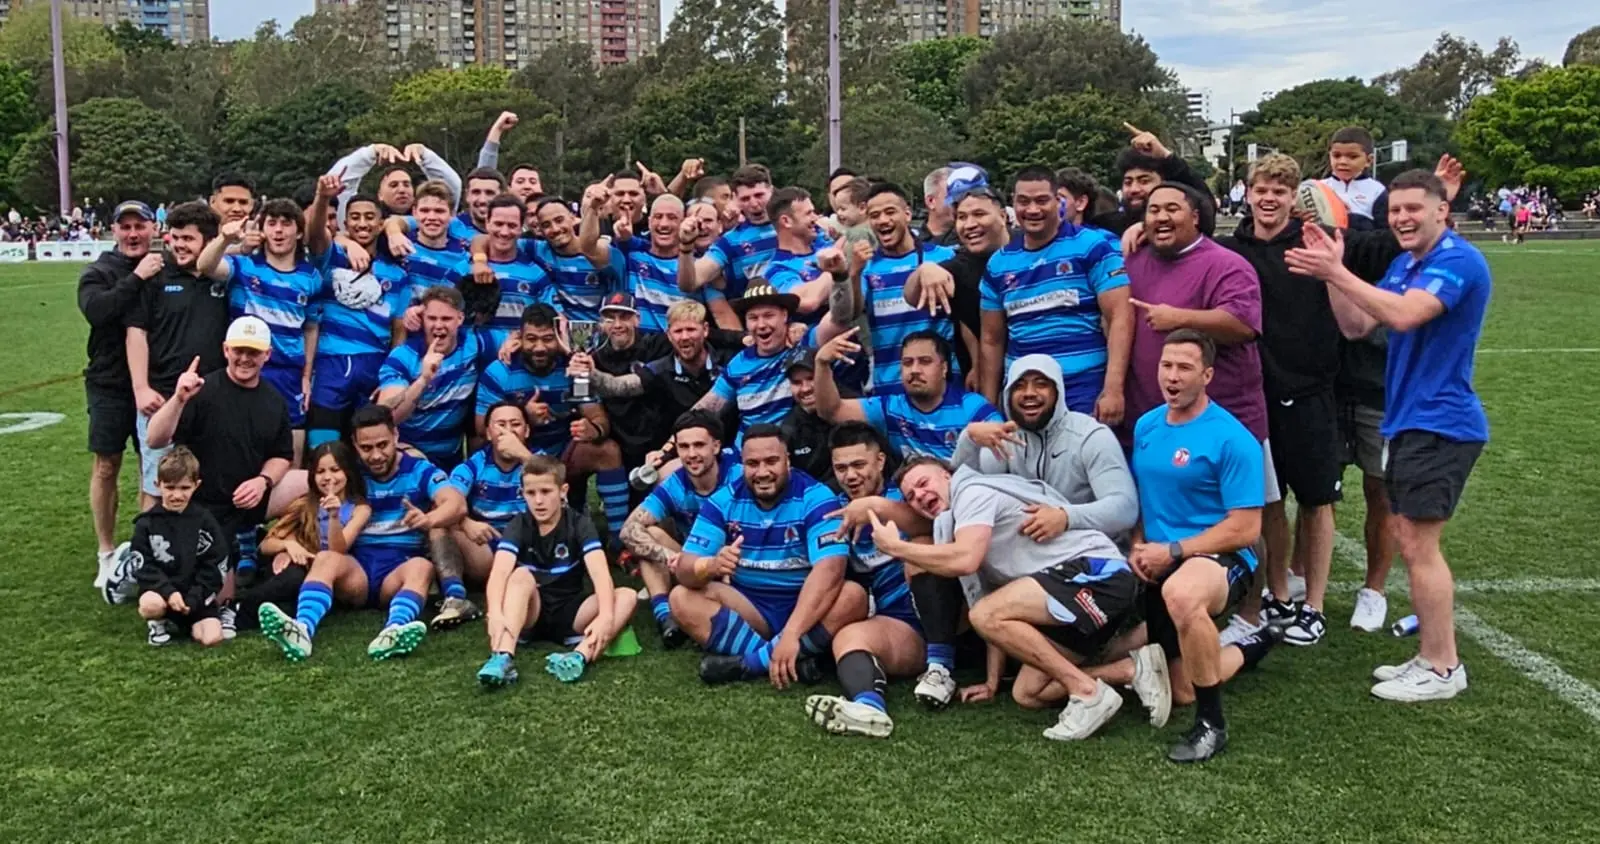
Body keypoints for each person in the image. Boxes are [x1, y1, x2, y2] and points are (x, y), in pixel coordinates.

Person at [1284, 169, 1490, 703]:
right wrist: (1333, 270)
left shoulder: (1457, 260)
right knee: (1410, 540)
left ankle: (1444, 667)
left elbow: (1403, 316)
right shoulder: (1405, 264)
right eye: (1395, 210)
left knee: (1420, 546)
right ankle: (1431, 655)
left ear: (1442, 209)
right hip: (1409, 418)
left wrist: (1338, 269)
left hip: (1440, 421)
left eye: (1413, 209)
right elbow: (1356, 325)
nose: (1401, 218)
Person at [883, 455, 1165, 741]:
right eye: (911, 496)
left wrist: (898, 548)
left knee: (984, 614)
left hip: (1098, 572)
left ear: (947, 475)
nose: (919, 496)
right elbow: (993, 600)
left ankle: (1088, 692)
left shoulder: (972, 493)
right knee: (1028, 693)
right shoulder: (959, 522)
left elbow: (967, 564)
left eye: (922, 483)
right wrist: (992, 682)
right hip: (1072, 590)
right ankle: (1130, 670)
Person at [1127, 330, 1267, 763]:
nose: (1172, 376)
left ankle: (1212, 726)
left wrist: (1173, 552)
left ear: (1207, 375)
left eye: (1184, 368)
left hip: (1221, 557)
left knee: (1182, 595)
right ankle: (1249, 647)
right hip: (1160, 557)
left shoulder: (1232, 439)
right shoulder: (1147, 426)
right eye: (1166, 366)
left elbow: (1245, 528)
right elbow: (1141, 501)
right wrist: (1136, 545)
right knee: (1184, 689)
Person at [259, 404, 466, 662]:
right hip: (357, 568)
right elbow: (315, 485)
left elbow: (456, 504)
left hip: (397, 570)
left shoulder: (420, 471)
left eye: (383, 445)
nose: (376, 455)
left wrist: (428, 519)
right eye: (366, 448)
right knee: (326, 558)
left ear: (396, 437)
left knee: (422, 567)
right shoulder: (351, 473)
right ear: (355, 445)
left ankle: (394, 630)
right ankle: (301, 629)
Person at [670, 424, 868, 686]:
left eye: (771, 461)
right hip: (751, 608)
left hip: (806, 604)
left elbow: (830, 571)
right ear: (741, 464)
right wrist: (711, 565)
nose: (762, 472)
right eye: (752, 463)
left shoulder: (817, 497)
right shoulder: (723, 500)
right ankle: (794, 658)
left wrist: (793, 632)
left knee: (853, 596)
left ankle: (751, 664)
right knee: (681, 598)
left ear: (788, 460)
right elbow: (684, 568)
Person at [143, 317, 296, 634]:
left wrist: (263, 481)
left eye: (253, 352)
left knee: (311, 482)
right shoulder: (201, 390)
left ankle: (284, 551)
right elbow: (155, 438)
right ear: (226, 350)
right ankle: (145, 574)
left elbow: (283, 456)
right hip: (203, 508)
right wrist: (178, 399)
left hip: (247, 499)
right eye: (239, 350)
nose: (245, 359)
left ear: (267, 355)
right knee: (221, 598)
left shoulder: (273, 401)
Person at [801, 423, 927, 739]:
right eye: (841, 468)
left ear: (881, 461)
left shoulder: (908, 493)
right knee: (850, 634)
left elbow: (931, 521)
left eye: (859, 465)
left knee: (922, 547)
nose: (850, 475)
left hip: (938, 619)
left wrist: (874, 508)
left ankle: (943, 662)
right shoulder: (832, 509)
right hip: (896, 623)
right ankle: (868, 708)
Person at [979, 167, 1131, 421]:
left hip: (1084, 389)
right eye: (1023, 201)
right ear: (1013, 204)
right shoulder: (998, 264)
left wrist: (1113, 389)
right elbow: (991, 340)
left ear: (1057, 202)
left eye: (1041, 200)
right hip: (1023, 395)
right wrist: (987, 408)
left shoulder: (1093, 246)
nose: (1033, 210)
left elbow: (1121, 317)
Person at [475, 304, 628, 548]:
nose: (539, 347)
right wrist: (524, 418)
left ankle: (620, 540)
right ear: (519, 338)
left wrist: (593, 430)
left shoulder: (573, 369)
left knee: (606, 450)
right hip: (516, 459)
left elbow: (599, 419)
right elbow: (482, 431)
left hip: (562, 455)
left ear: (559, 337)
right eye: (531, 339)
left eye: (547, 339)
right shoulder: (501, 372)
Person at [477, 455, 638, 686]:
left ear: (563, 491)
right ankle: (503, 657)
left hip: (571, 612)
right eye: (531, 494)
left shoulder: (579, 524)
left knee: (627, 596)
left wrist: (605, 616)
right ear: (522, 494)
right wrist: (494, 613)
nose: (539, 501)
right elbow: (500, 572)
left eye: (546, 491)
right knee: (520, 575)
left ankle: (578, 657)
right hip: (530, 612)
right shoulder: (519, 524)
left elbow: (600, 574)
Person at [196, 198, 326, 457]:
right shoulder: (244, 267)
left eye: (286, 224)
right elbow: (205, 266)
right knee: (240, 446)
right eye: (272, 223)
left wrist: (305, 376)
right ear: (263, 230)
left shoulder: (310, 277)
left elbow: (311, 328)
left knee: (291, 449)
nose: (278, 231)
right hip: (246, 366)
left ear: (299, 232)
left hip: (288, 373)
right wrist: (224, 239)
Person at [125, 202, 228, 512]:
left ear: (209, 242)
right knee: (158, 482)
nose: (179, 245)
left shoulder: (224, 278)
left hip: (212, 398)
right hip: (163, 395)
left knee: (207, 480)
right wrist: (141, 388)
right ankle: (150, 553)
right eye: (175, 237)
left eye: (188, 239)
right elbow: (136, 333)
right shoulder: (156, 276)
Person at [81, 200, 162, 586]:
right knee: (107, 465)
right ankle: (106, 552)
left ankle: (148, 549)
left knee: (156, 471)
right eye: (125, 227)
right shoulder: (99, 271)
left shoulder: (165, 266)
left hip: (155, 384)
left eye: (140, 226)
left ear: (153, 228)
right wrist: (137, 279)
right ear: (114, 231)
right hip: (110, 384)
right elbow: (98, 311)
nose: (133, 234)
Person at [819, 182, 959, 396]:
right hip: (889, 388)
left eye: (890, 212)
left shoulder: (943, 257)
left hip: (942, 388)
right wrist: (852, 273)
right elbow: (847, 315)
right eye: (875, 215)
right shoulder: (867, 265)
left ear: (907, 214)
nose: (883, 220)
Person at [304, 175, 409, 450]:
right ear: (345, 222)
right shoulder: (331, 256)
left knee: (366, 445)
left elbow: (399, 330)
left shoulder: (396, 273)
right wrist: (323, 197)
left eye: (369, 217)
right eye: (354, 217)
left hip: (373, 365)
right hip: (331, 363)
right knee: (322, 447)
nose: (362, 223)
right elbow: (314, 234)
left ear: (381, 223)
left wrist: (391, 373)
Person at [620, 411, 740, 648]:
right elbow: (628, 529)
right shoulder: (675, 482)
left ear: (716, 446)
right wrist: (676, 559)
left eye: (699, 445)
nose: (691, 454)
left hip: (735, 563)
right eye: (684, 447)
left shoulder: (740, 477)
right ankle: (665, 618)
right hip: (693, 563)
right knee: (649, 535)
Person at [577, 300, 738, 455]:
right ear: (669, 335)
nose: (684, 337)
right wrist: (590, 373)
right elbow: (619, 386)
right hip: (685, 451)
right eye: (678, 331)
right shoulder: (661, 368)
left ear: (705, 330)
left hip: (731, 446)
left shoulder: (730, 361)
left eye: (691, 329)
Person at [813, 329, 1000, 461]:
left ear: (944, 368)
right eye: (907, 363)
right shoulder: (891, 408)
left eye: (925, 362)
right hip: (917, 500)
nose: (915, 370)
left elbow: (1009, 449)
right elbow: (831, 411)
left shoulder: (973, 408)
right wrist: (822, 364)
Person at [567, 292, 670, 517]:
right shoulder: (592, 355)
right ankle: (575, 514)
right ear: (601, 324)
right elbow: (580, 396)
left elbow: (627, 386)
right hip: (618, 443)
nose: (617, 325)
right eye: (610, 318)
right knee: (583, 448)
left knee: (653, 514)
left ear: (637, 319)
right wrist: (578, 376)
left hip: (658, 442)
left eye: (624, 317)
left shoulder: (658, 346)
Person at [903, 183, 1012, 377]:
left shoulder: (1028, 248)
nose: (970, 224)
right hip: (986, 383)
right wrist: (924, 271)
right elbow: (911, 296)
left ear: (1002, 216)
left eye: (979, 214)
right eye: (962, 217)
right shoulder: (959, 267)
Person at [131, 447, 228, 648]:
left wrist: (193, 599)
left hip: (195, 598)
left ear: (196, 485)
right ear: (158, 485)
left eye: (184, 488)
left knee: (212, 638)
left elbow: (216, 564)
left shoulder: (205, 521)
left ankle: (185, 624)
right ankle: (158, 623)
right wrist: (169, 592)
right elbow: (143, 567)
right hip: (163, 595)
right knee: (150, 604)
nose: (177, 495)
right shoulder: (146, 524)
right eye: (170, 487)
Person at [444, 401, 534, 617]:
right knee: (441, 524)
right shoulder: (474, 465)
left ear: (527, 430)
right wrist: (466, 523)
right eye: (500, 425)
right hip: (488, 546)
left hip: (529, 544)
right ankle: (454, 596)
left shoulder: (537, 462)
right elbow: (446, 502)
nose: (508, 431)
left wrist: (524, 455)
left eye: (515, 424)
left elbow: (557, 490)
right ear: (488, 433)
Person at [257, 441, 368, 612]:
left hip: (333, 575)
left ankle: (250, 608)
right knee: (291, 576)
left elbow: (337, 551)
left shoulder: (360, 509)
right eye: (320, 471)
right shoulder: (305, 503)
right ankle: (245, 609)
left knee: (294, 585)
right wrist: (288, 545)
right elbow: (265, 545)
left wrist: (334, 516)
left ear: (348, 471)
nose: (328, 477)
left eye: (335, 470)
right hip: (298, 567)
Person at [376, 285, 480, 469]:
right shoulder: (403, 357)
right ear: (422, 319)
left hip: (451, 459)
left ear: (460, 319)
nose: (438, 325)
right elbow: (386, 418)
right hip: (408, 457)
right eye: (432, 318)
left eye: (446, 319)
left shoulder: (474, 344)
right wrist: (423, 379)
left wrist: (512, 342)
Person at [690, 284, 805, 441]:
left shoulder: (803, 345)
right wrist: (666, 449)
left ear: (784, 316)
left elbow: (836, 321)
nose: (761, 324)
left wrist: (841, 278)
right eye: (753, 318)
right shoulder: (738, 364)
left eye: (769, 315)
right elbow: (705, 410)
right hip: (744, 453)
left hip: (791, 449)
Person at [459, 194, 555, 356]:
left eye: (512, 225)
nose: (504, 232)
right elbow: (441, 312)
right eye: (498, 224)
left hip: (516, 362)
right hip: (469, 363)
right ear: (487, 224)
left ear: (521, 228)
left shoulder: (537, 275)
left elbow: (551, 321)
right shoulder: (463, 269)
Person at [762, 187, 834, 320]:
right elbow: (807, 302)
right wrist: (835, 270)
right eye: (808, 213)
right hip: (814, 339)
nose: (815, 218)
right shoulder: (776, 270)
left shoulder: (825, 244)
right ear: (786, 221)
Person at [777, 350, 840, 489]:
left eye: (811, 378)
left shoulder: (855, 410)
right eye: (797, 382)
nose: (805, 388)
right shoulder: (788, 429)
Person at [1320, 127, 1388, 231]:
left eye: (1352, 157)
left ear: (1369, 160)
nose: (1342, 161)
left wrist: (1349, 218)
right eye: (1336, 156)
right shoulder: (1318, 187)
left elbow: (1384, 234)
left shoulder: (1377, 191)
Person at [918, 166, 959, 247]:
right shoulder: (911, 242)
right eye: (953, 196)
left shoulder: (972, 239)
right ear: (931, 201)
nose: (959, 202)